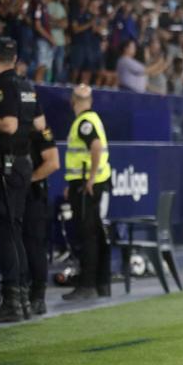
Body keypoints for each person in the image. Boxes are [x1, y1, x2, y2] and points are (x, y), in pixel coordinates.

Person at [0, 37, 38, 321]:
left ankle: (13, 301)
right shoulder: (26, 85)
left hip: (4, 167)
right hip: (22, 163)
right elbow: (39, 125)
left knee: (0, 231)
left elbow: (8, 124)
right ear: (15, 58)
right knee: (14, 230)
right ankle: (22, 301)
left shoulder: (4, 85)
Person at [62, 84, 111, 301]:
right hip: (88, 182)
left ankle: (87, 285)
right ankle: (101, 284)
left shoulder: (84, 123)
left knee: (87, 234)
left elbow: (96, 146)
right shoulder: (95, 119)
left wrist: (88, 178)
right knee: (95, 233)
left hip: (86, 185)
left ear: (73, 101)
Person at [23, 113, 59, 316]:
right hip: (19, 197)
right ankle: (24, 294)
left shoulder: (41, 131)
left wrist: (29, 180)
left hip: (34, 196)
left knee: (34, 245)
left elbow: (53, 163)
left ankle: (38, 297)